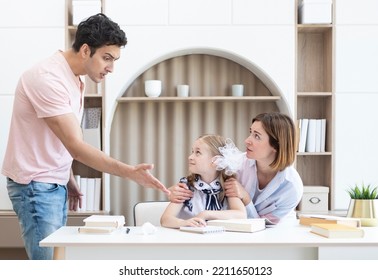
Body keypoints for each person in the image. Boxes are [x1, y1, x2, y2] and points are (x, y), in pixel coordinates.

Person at [1, 13, 169, 260]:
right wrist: (130, 172)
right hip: (36, 187)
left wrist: (66, 176)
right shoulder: (48, 78)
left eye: (115, 59)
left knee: (57, 262)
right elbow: (77, 147)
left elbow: (55, 137)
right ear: (85, 50)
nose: (111, 68)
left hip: (51, 183)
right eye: (107, 58)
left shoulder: (74, 79)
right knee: (47, 269)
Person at [168, 112, 303, 225]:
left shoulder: (291, 188)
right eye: (250, 133)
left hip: (274, 236)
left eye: (257, 136)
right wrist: (173, 192)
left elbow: (262, 226)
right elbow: (205, 173)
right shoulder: (234, 164)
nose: (247, 140)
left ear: (276, 146)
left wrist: (245, 198)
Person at [160, 135, 247, 228]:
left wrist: (206, 214)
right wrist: (184, 223)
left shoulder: (227, 185)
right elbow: (165, 219)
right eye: (192, 151)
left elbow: (241, 215)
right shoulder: (187, 186)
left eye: (198, 152)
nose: (190, 157)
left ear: (216, 161)